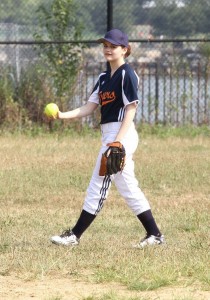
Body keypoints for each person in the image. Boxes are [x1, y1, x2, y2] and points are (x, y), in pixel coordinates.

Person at [50, 29, 164, 248]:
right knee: (128, 187)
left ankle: (74, 235)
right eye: (105, 45)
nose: (108, 49)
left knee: (98, 183)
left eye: (113, 46)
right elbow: (89, 107)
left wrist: (117, 142)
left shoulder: (126, 73)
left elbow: (131, 108)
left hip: (122, 134)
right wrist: (62, 115)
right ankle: (155, 235)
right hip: (110, 135)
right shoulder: (103, 78)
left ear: (125, 49)